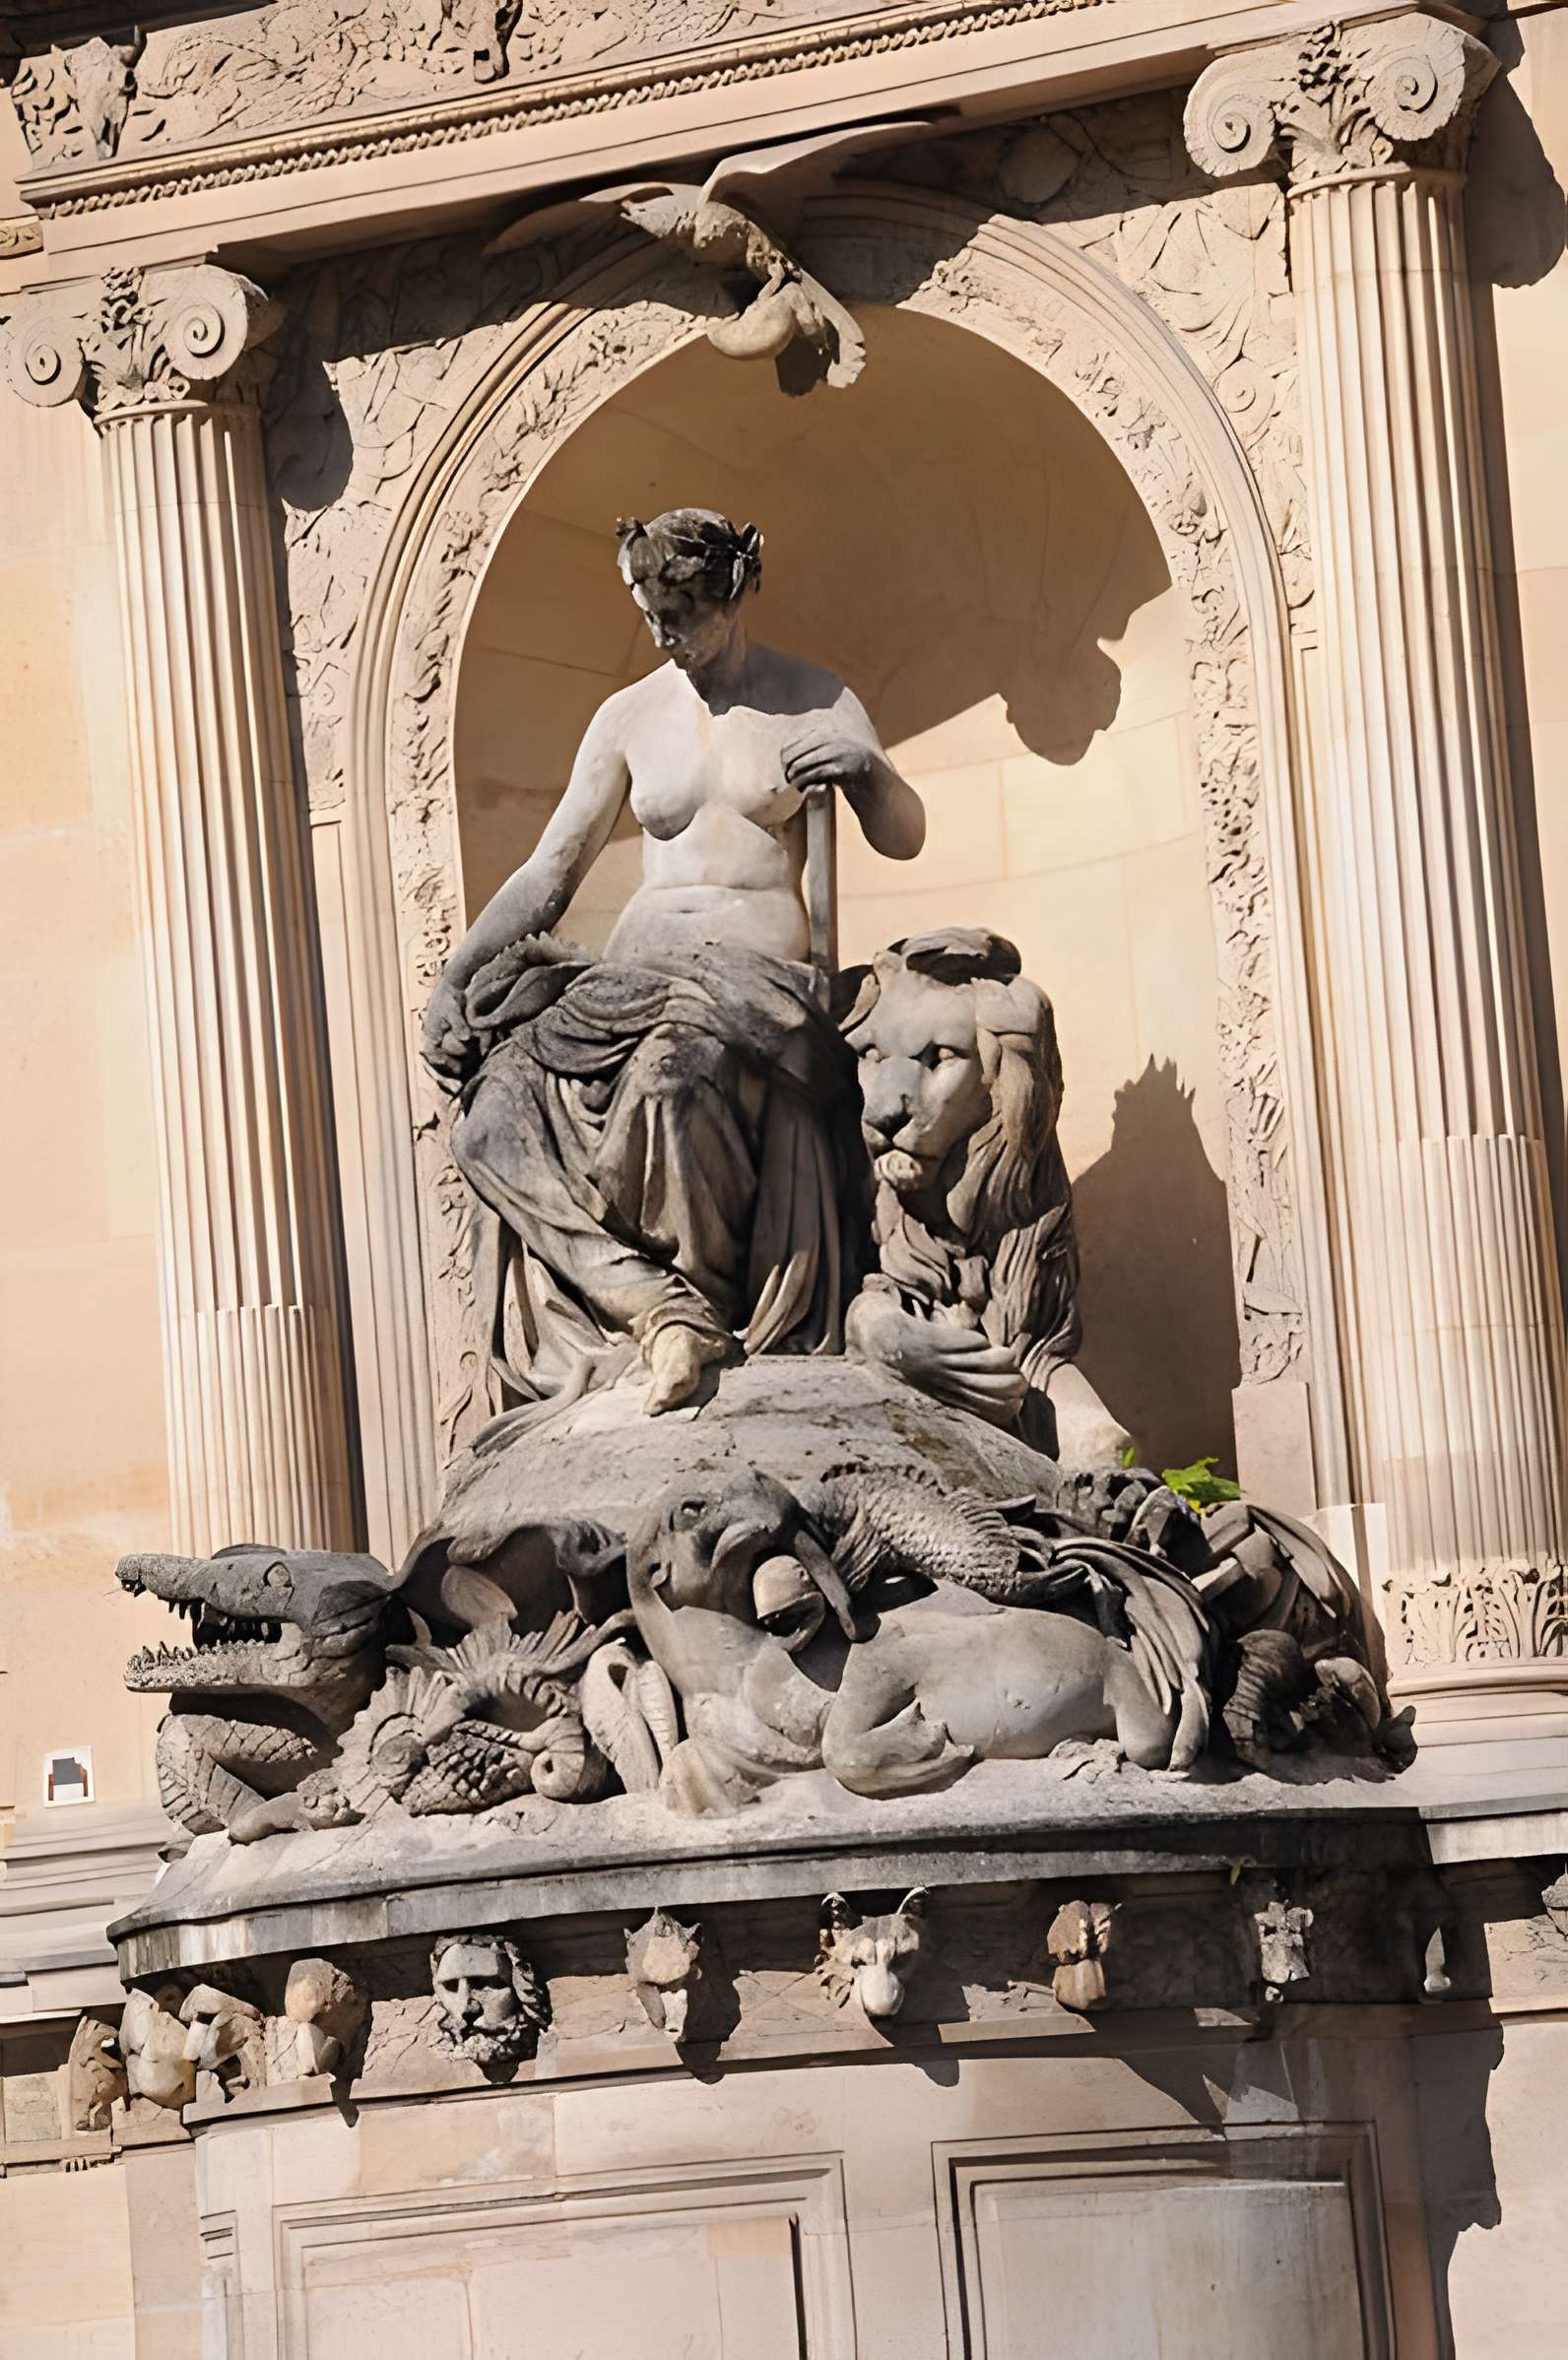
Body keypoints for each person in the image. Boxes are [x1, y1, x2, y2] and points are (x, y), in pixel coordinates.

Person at [422, 508, 925, 1412]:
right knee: (490, 1120)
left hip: (750, 991)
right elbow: (550, 870)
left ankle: (694, 1320)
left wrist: (866, 769)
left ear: (734, 594)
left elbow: (904, 837)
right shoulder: (628, 716)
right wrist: (456, 975)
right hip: (628, 982)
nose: (667, 636)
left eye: (684, 613)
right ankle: (656, 1307)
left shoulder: (812, 698)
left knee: (671, 1079)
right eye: (652, 616)